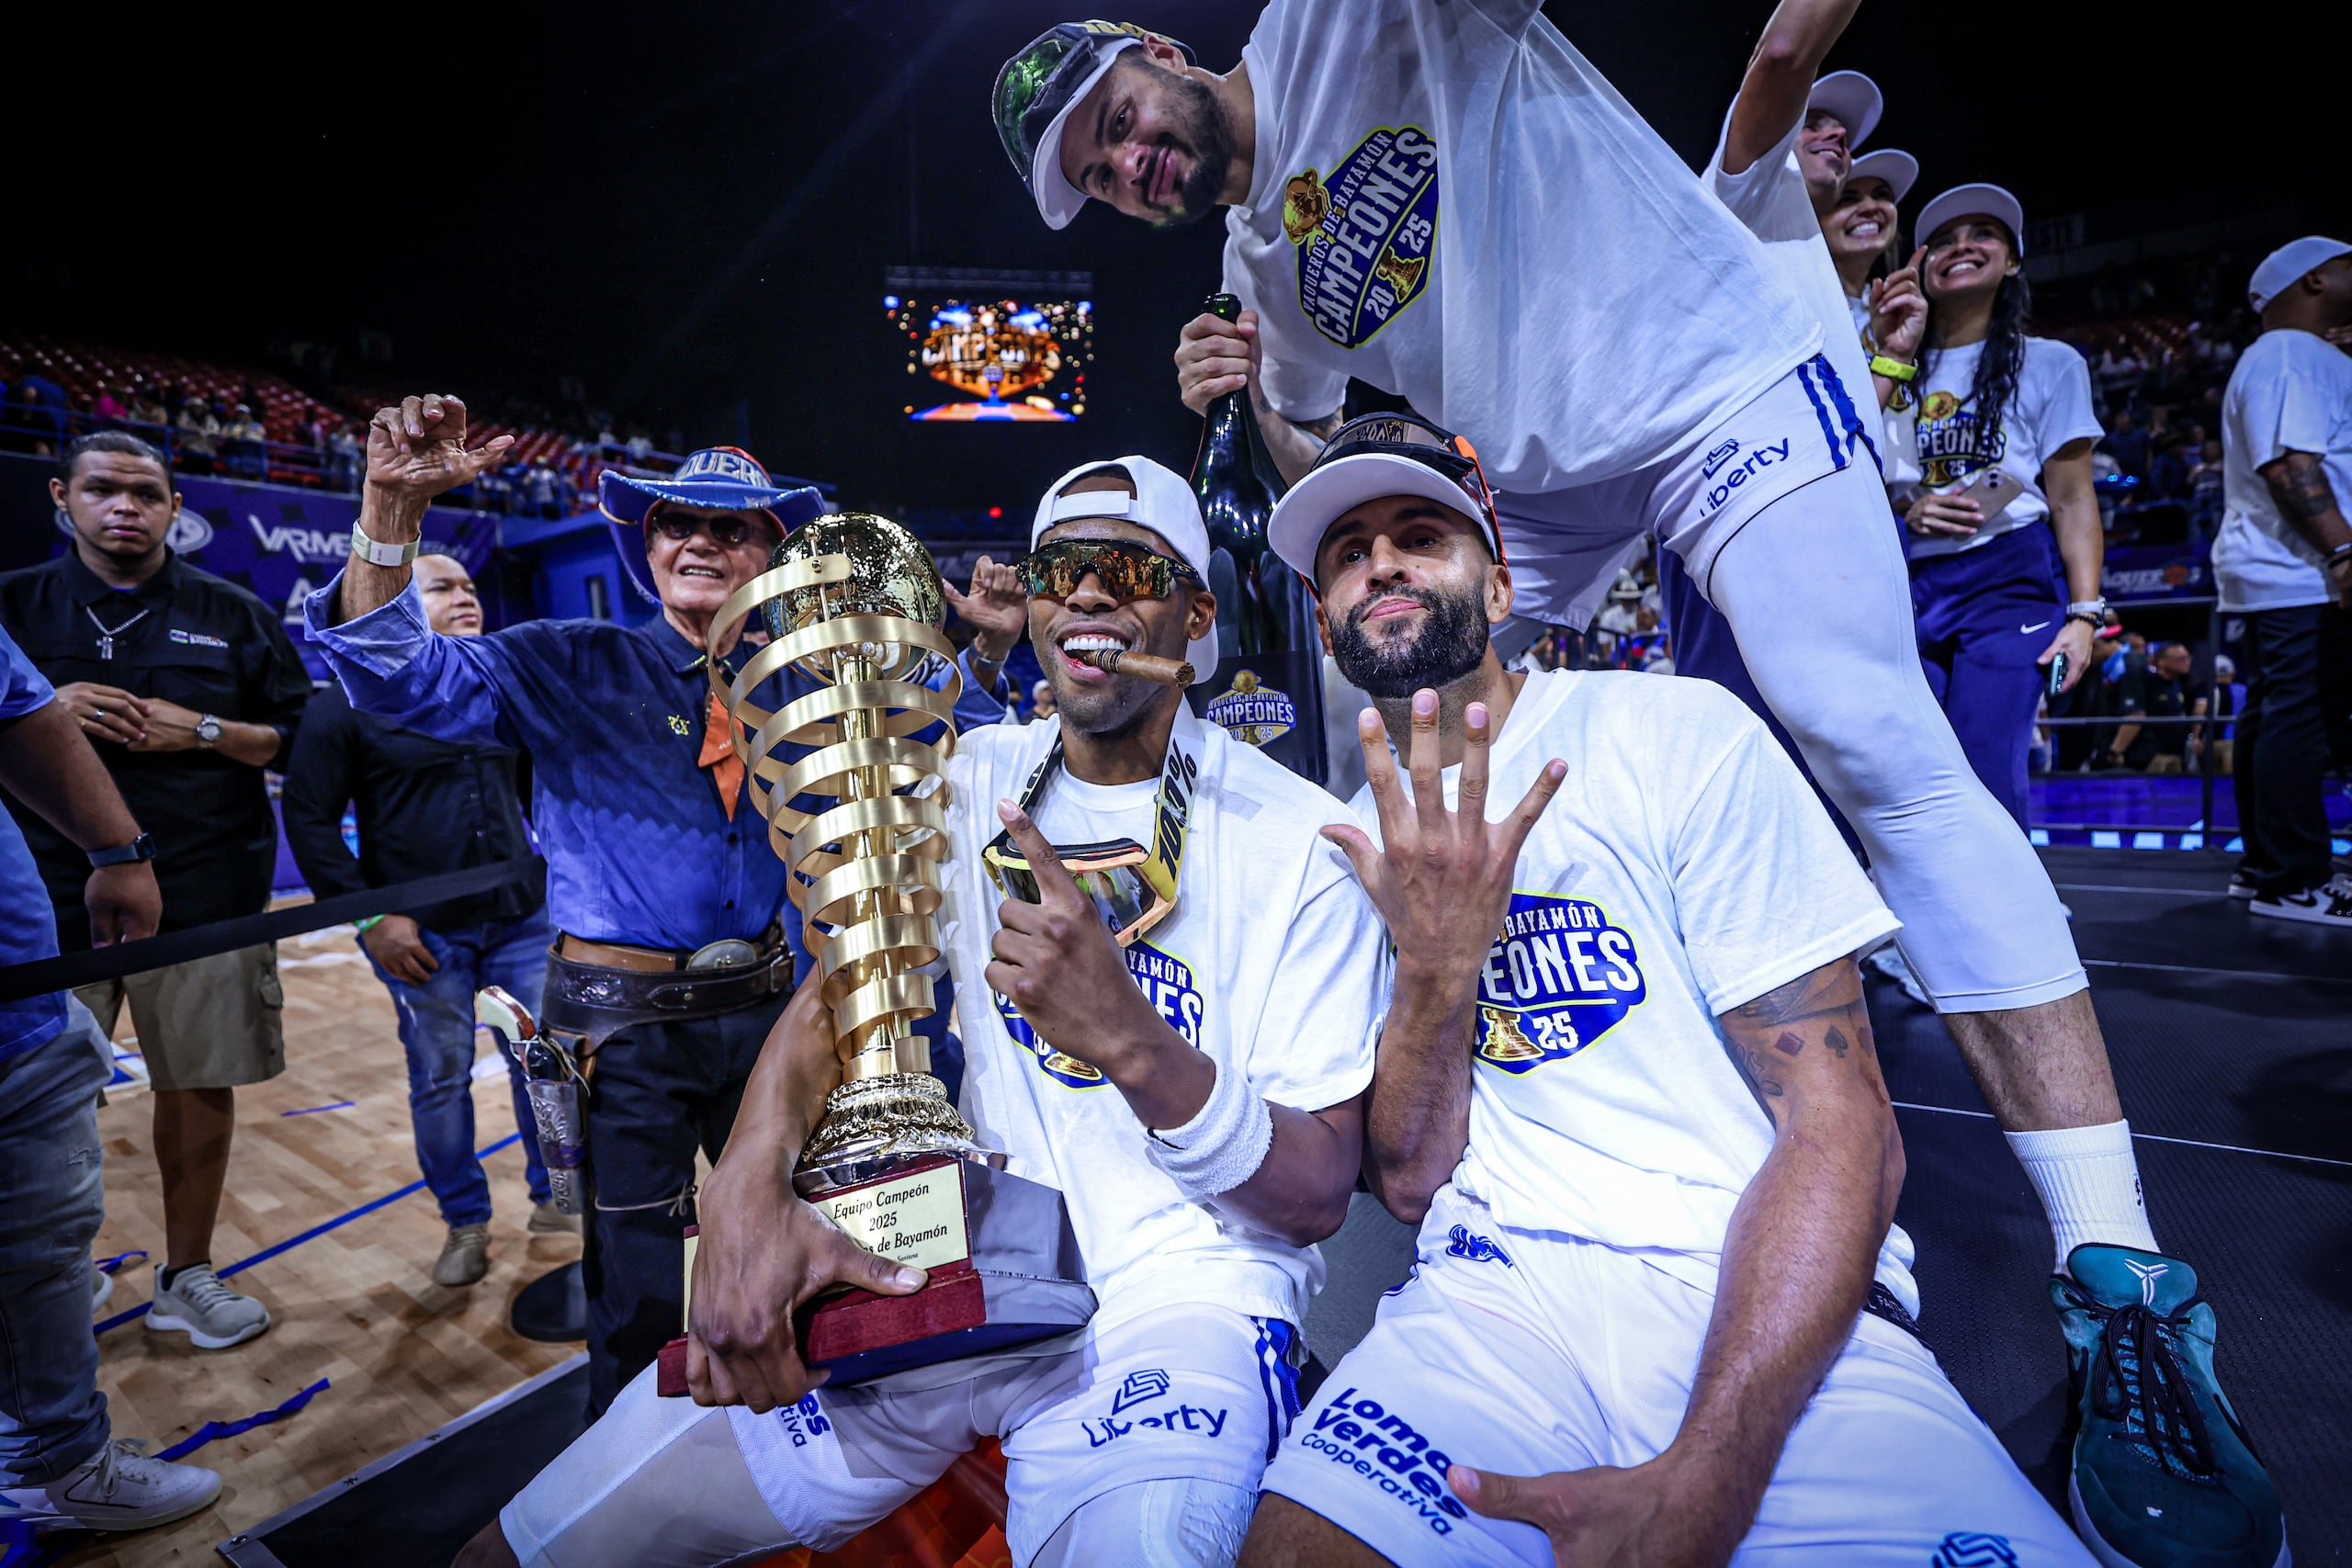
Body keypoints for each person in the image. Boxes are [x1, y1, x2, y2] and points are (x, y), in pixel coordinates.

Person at [1230, 415, 2187, 1566]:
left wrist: (1713, 1466)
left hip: (1754, 1286)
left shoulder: (1676, 737)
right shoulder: (1342, 848)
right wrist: (1434, 971)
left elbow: (1845, 1133)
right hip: (1494, 1296)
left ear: (1497, 593)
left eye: (1418, 533)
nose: (1378, 562)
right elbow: (1415, 1181)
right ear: (1327, 620)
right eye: (1345, 553)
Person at [459, 457, 1385, 1568]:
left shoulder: (1300, 841)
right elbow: (837, 982)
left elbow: (1316, 1194)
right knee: (520, 1549)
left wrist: (1128, 1038)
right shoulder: (967, 774)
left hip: (1178, 1302)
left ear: (1194, 615)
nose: (1086, 595)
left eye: (1126, 569)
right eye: (1059, 569)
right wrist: (751, 1185)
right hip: (949, 1259)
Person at [303, 397, 1025, 1413]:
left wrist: (984, 653)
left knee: (806, 1250)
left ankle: (797, 1474)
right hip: (623, 1037)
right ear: (645, 544)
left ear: (773, 555)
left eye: (731, 528)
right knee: (641, 1293)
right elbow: (388, 677)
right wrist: (387, 512)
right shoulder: (567, 661)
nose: (699, 542)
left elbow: (965, 746)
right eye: (676, 523)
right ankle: (632, 1497)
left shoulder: (819, 675)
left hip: (780, 1028)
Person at [0, 431, 311, 1354]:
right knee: (35, 1105)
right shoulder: (13, 607)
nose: (123, 507)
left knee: (197, 1081)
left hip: (206, 890)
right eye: (102, 490)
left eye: (145, 493)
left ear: (178, 509)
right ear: (63, 497)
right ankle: (60, 1271)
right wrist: (45, 712)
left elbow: (296, 741)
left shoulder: (234, 611)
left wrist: (206, 727)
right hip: (44, 906)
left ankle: (188, 1273)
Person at [281, 550, 565, 1290]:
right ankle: (465, 1221)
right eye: (442, 587)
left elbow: (543, 793)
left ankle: (555, 1199)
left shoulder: (500, 687)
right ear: (396, 606)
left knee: (541, 1069)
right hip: (422, 934)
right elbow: (309, 820)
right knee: (440, 1079)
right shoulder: (341, 702)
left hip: (519, 919)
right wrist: (371, 913)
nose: (466, 597)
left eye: (470, 585)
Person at [0, 623, 229, 1536]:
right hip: (22, 1008)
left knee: (41, 1233)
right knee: (39, 1232)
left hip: (27, 996)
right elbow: (19, 711)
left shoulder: (219, 612)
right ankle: (55, 1467)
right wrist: (115, 849)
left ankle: (48, 1450)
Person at [1895, 185, 2106, 829]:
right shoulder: (1889, 361)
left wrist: (2086, 615)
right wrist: (1907, 508)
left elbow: (2072, 496)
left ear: (2012, 261)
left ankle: (2010, 914)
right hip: (1903, 578)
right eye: (1946, 238)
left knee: (1987, 753)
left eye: (1983, 233)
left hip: (2005, 578)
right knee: (1902, 762)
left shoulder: (2049, 363)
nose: (1963, 246)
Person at [2212, 236, 2352, 926]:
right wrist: (2345, 552)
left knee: (2274, 710)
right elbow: (2290, 466)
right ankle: (2293, 878)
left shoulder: (2294, 353)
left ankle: (2266, 866)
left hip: (2284, 565)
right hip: (2298, 567)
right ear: (2317, 280)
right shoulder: (2289, 353)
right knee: (2300, 714)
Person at [2103, 640, 2194, 773]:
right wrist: (2116, 751)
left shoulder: (2178, 684)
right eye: (2181, 658)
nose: (2187, 662)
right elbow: (2135, 716)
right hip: (2150, 755)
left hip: (2175, 754)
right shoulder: (2145, 681)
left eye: (2188, 658)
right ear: (2162, 661)